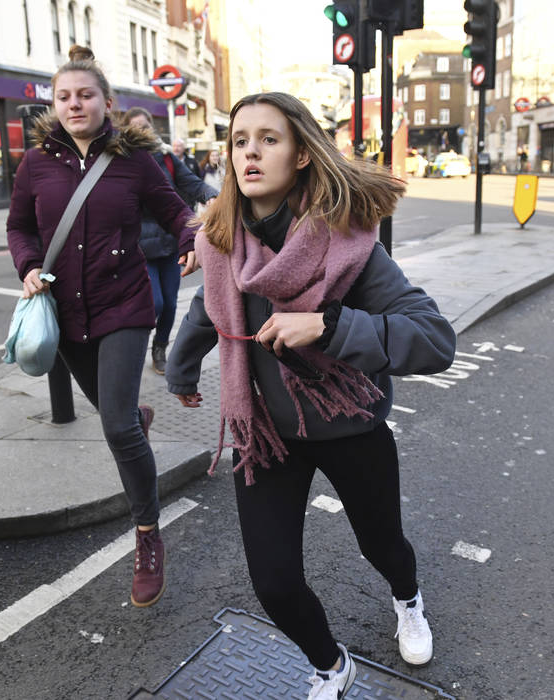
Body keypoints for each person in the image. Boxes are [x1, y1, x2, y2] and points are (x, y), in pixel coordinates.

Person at [165, 92, 457, 700]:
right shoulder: (222, 241)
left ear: (300, 153)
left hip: (349, 428)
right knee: (272, 582)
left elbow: (434, 339)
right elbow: (206, 311)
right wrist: (180, 373)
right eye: (240, 139)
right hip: (268, 434)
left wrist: (329, 324)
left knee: (384, 547)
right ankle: (331, 665)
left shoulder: (349, 245)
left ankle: (408, 599)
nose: (251, 151)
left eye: (269, 138)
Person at [7, 45, 199, 608]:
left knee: (116, 427)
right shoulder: (36, 162)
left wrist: (189, 239)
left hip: (123, 306)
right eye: (64, 96)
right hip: (64, 314)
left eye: (85, 95)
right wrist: (26, 266)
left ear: (106, 102)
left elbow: (172, 209)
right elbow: (19, 226)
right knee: (118, 416)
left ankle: (147, 535)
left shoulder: (135, 160)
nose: (74, 104)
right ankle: (132, 418)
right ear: (54, 102)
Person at [124, 107, 217, 375]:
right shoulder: (122, 159)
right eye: (135, 127)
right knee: (156, 302)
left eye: (145, 127)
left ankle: (159, 349)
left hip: (169, 241)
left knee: (171, 303)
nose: (141, 132)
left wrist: (213, 196)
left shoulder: (165, 158)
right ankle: (132, 345)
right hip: (139, 245)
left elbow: (192, 183)